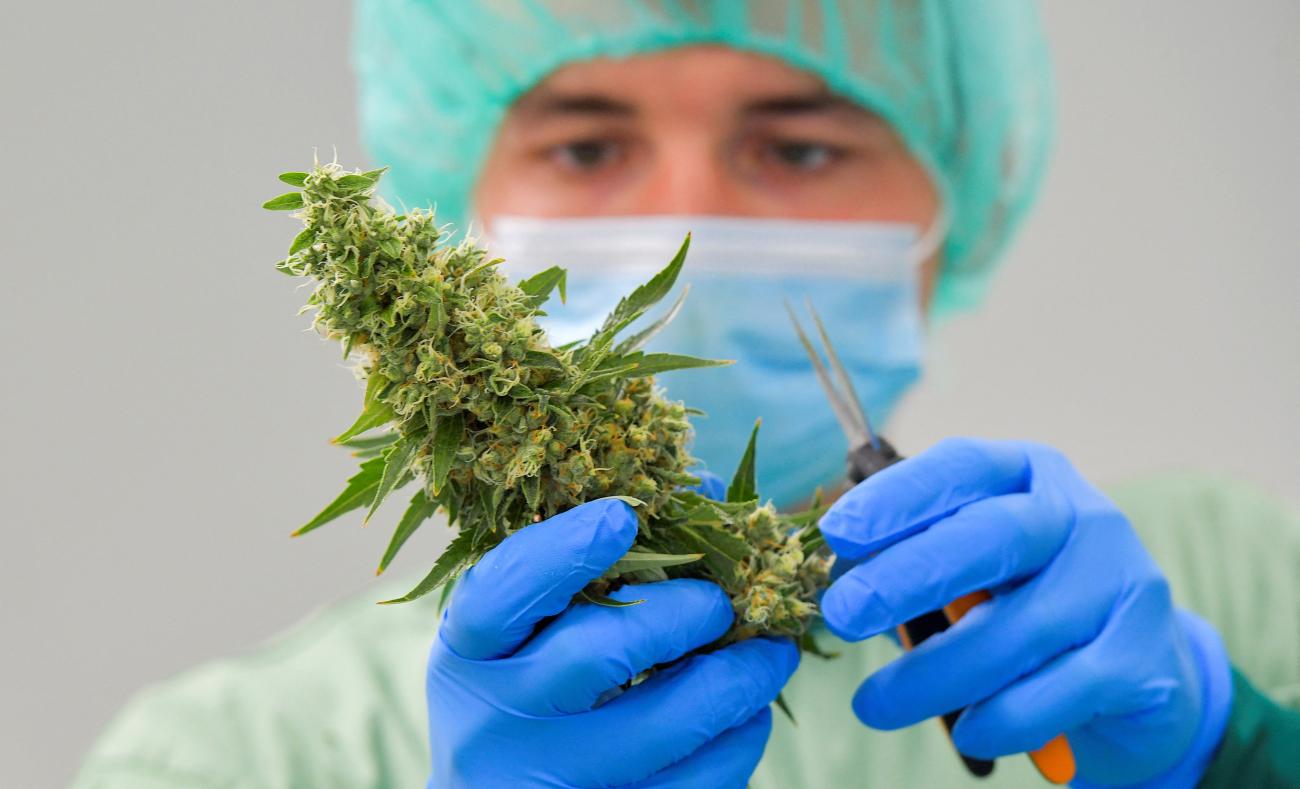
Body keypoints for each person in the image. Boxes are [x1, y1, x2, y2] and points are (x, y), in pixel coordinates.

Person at [75, 2, 1300, 787]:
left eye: (799, 148)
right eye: (587, 148)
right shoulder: (246, 759)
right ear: (463, 211)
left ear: (952, 201)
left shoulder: (1227, 583)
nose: (690, 228)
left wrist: (1232, 752)